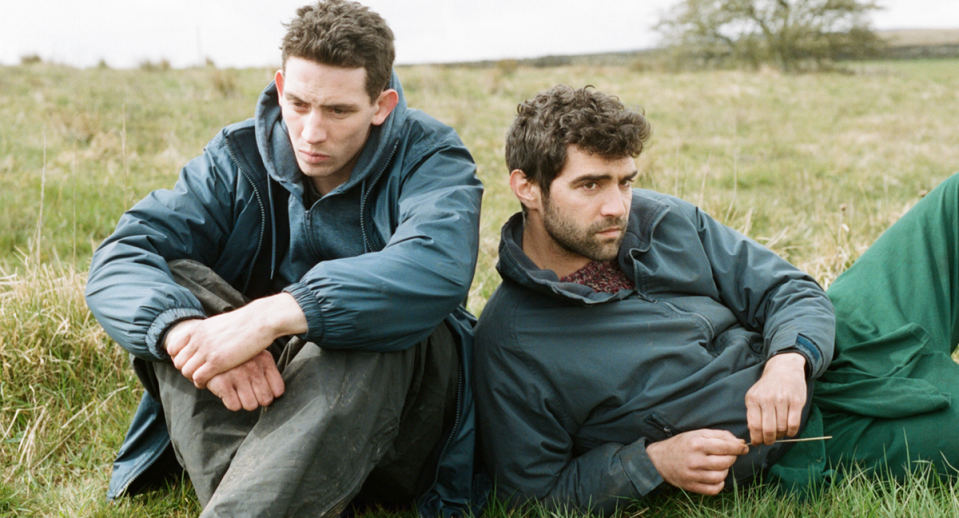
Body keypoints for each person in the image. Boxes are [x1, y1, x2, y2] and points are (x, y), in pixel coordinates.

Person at [85, 1, 483, 516]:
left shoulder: (432, 156)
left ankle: (258, 500)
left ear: (381, 105)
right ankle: (284, 493)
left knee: (374, 320)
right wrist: (185, 333)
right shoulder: (236, 154)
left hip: (400, 415)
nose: (312, 132)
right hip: (261, 395)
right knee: (176, 287)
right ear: (279, 86)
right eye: (297, 104)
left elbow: (436, 267)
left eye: (338, 111)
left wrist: (272, 315)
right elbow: (123, 254)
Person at [472, 85, 836, 514]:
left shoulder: (663, 218)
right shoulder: (511, 343)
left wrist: (790, 361)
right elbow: (531, 497)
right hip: (806, 440)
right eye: (590, 185)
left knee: (940, 206)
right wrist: (652, 463)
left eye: (625, 182)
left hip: (824, 359)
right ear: (527, 187)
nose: (617, 207)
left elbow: (787, 288)